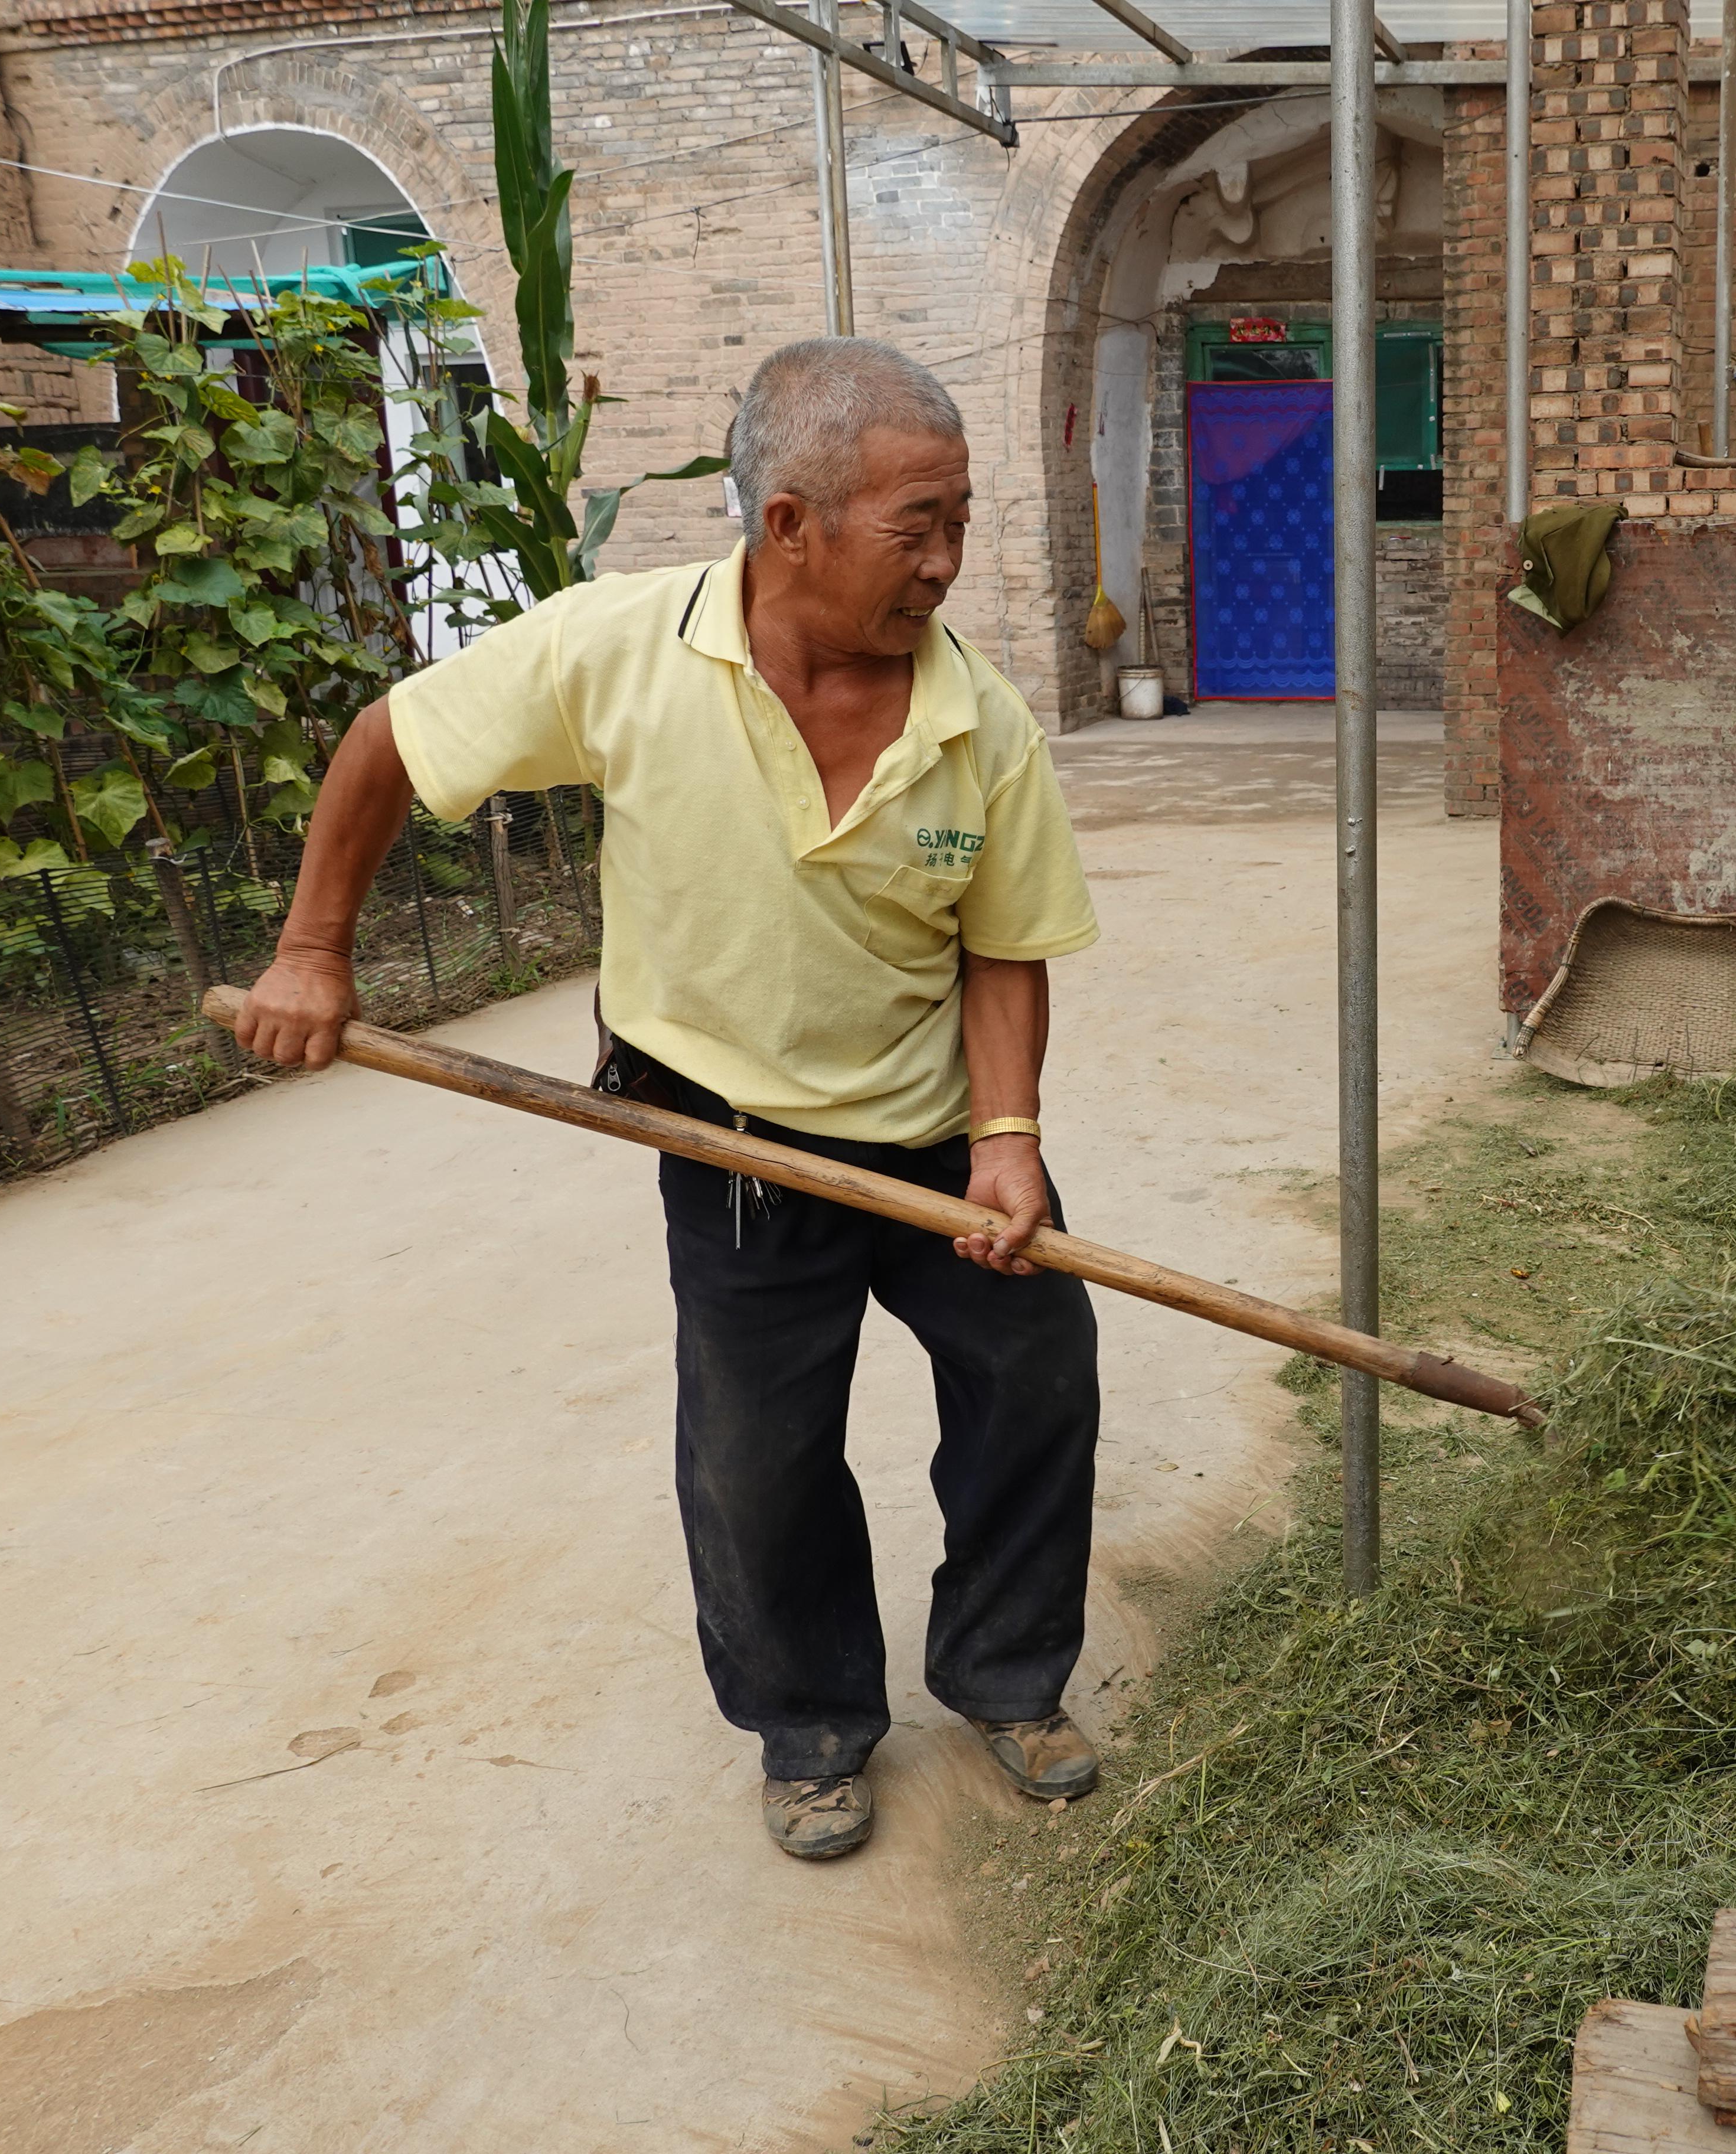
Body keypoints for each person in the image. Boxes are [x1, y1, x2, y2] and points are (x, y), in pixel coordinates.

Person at [233, 339, 1105, 1861]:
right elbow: (393, 741)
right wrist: (312, 953)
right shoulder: (616, 651)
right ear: (788, 524)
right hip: (725, 1134)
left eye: (959, 522)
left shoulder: (986, 726)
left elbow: (1003, 949)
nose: (949, 564)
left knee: (1037, 1380)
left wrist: (1008, 1142)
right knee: (756, 1451)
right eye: (920, 527)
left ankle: (1008, 1674)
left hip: (930, 1130)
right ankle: (813, 1723)